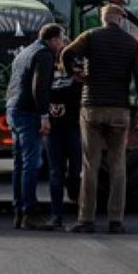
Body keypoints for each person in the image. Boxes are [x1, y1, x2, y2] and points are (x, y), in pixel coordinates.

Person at [59, 3, 138, 233]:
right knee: (118, 165)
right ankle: (116, 220)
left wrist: (75, 74)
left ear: (103, 18)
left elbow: (67, 53)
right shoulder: (131, 43)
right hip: (119, 109)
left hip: (92, 106)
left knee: (90, 165)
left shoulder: (90, 36)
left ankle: (86, 219)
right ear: (120, 19)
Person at [5, 23, 65, 230]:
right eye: (62, 39)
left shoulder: (25, 52)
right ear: (54, 39)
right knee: (32, 163)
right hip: (28, 112)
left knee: (19, 163)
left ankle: (18, 210)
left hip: (13, 108)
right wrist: (44, 116)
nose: (63, 44)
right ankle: (30, 212)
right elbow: (39, 87)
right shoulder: (44, 54)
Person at [45, 50, 84, 230]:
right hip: (59, 130)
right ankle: (57, 214)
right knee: (58, 173)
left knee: (71, 173)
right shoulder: (51, 75)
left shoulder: (77, 80)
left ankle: (69, 210)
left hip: (71, 128)